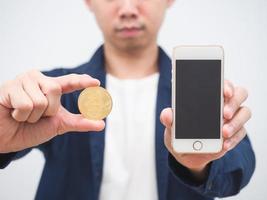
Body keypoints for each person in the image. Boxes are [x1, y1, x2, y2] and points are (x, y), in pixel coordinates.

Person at [0, 0, 255, 200]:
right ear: (89, 1)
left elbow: (237, 175)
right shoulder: (53, 91)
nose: (128, 9)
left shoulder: (203, 95)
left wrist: (199, 165)